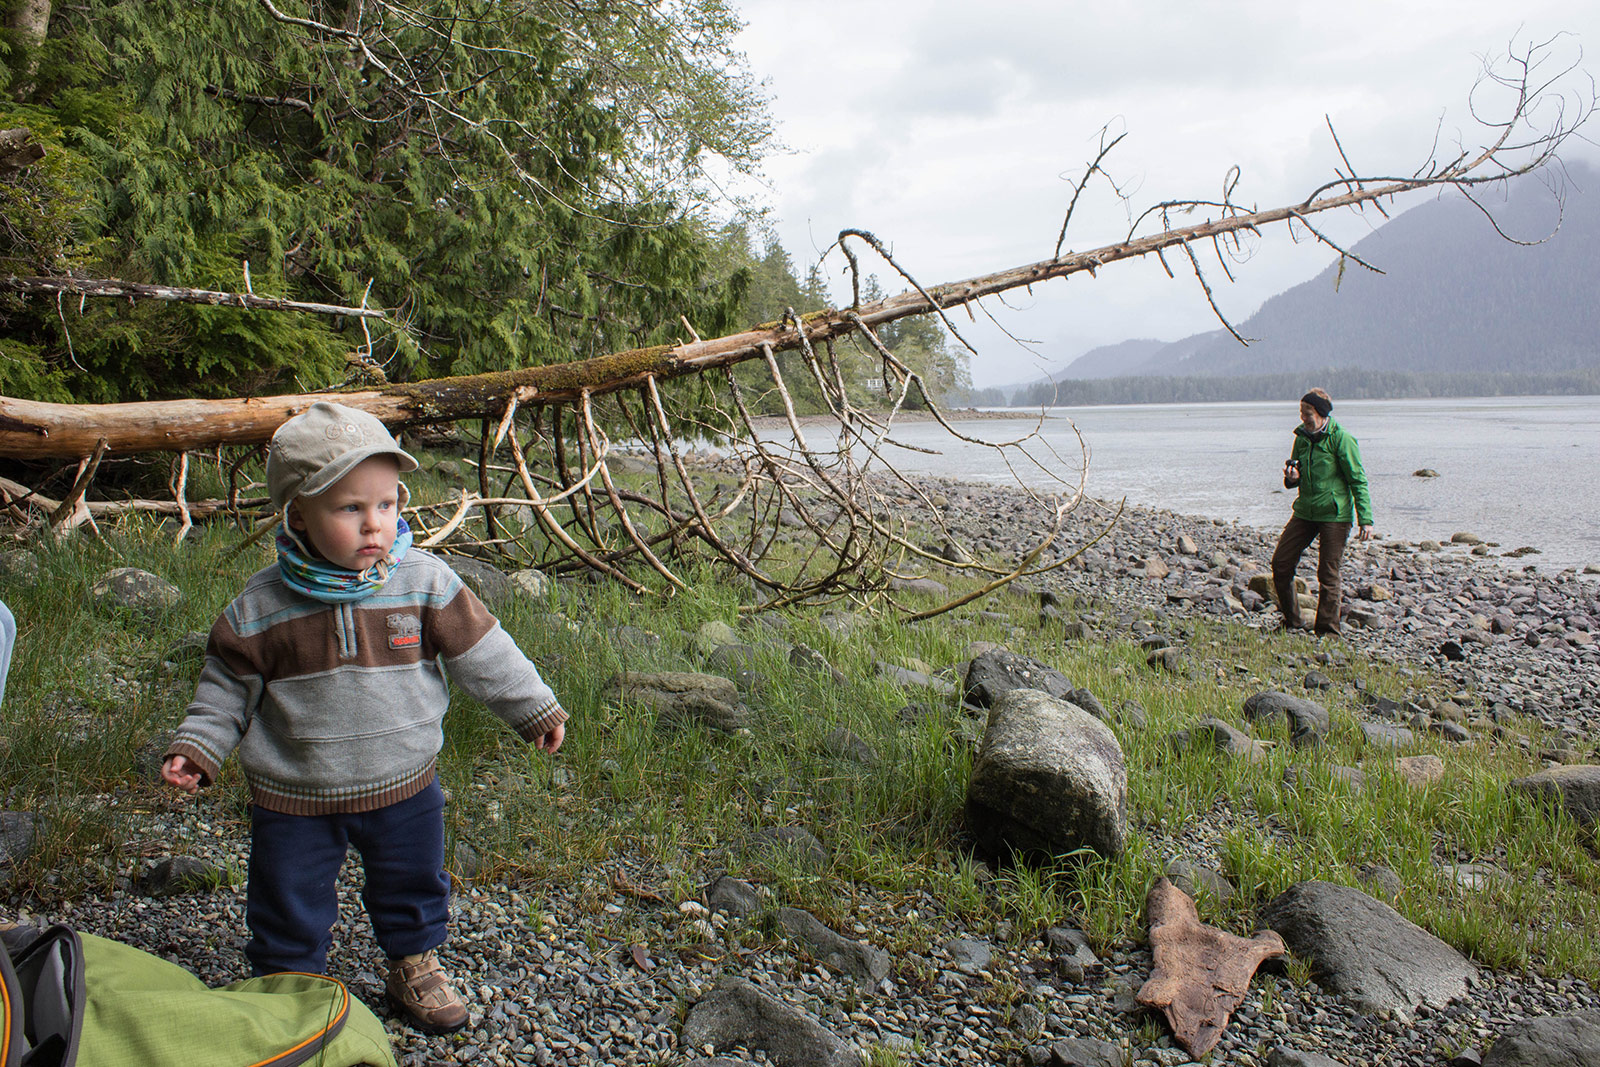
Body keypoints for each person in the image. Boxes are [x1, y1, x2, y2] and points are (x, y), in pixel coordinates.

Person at [161, 401, 567, 1034]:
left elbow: (484, 652)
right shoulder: (262, 605)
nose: (374, 524)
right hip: (295, 789)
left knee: (411, 879)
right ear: (298, 513)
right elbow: (225, 687)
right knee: (287, 895)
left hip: (403, 779)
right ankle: (289, 985)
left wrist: (531, 707)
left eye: (387, 504)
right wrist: (199, 747)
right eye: (350, 508)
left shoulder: (424, 583)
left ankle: (413, 961)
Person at [1270, 388, 1373, 635]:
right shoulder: (1301, 439)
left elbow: (1357, 480)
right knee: (1281, 563)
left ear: (1321, 413)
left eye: (1308, 413)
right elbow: (1295, 477)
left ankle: (1327, 630)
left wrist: (1365, 519)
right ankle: (1293, 621)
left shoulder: (1342, 439)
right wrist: (1292, 478)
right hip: (1305, 511)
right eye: (1301, 412)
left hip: (1335, 515)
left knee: (1328, 574)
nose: (1303, 418)